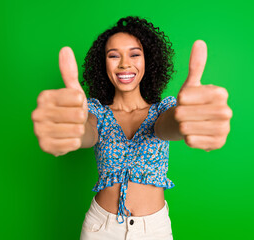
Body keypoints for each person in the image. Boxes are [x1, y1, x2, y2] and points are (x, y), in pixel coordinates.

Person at [31, 16, 232, 240]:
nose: (124, 64)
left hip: (154, 230)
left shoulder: (161, 112)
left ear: (149, 61)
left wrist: (188, 120)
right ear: (103, 64)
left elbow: (170, 125)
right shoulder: (96, 112)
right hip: (100, 229)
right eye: (113, 56)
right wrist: (73, 128)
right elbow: (86, 130)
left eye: (134, 54)